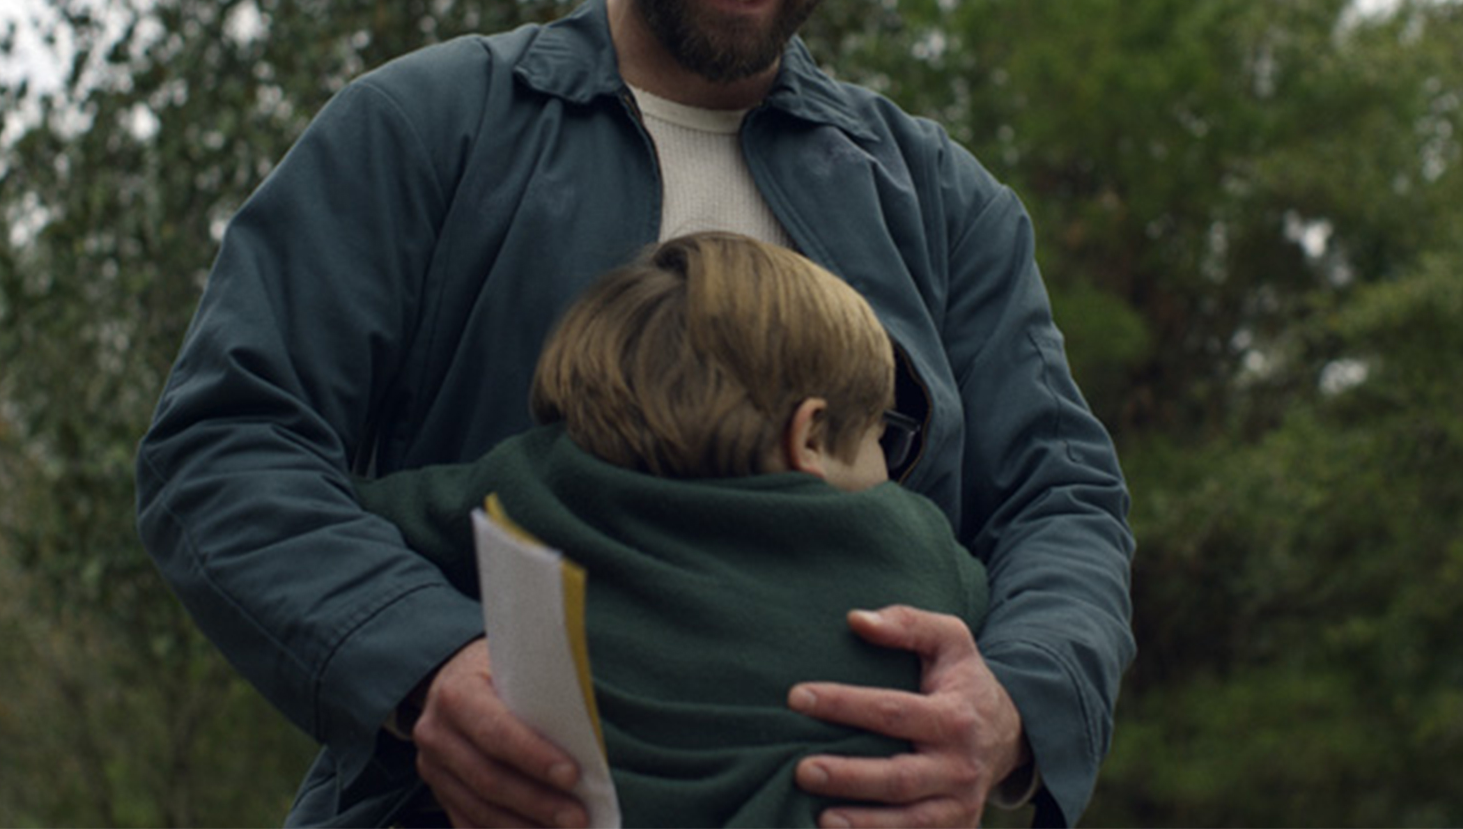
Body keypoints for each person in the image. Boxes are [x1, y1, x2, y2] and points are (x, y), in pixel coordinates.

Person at [134, 0, 1136, 825]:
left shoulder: (944, 206)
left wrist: (1014, 705)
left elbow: (1061, 501)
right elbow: (227, 445)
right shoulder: (420, 133)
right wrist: (421, 666)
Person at [355, 232, 991, 827]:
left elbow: (355, 522)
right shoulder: (907, 541)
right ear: (811, 436)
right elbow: (997, 622)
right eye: (884, 437)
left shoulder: (531, 485)